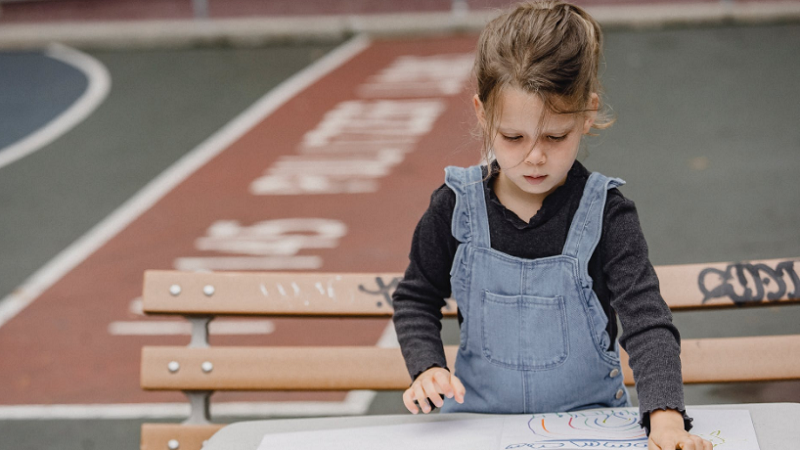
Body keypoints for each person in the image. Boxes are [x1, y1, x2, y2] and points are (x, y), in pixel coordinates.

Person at [390, 2, 713, 450]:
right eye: (513, 137)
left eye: (555, 136)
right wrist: (427, 367)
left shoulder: (607, 213)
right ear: (482, 115)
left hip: (588, 427)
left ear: (587, 113)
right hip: (478, 427)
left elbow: (646, 321)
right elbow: (416, 297)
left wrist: (666, 419)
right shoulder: (454, 206)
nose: (535, 157)